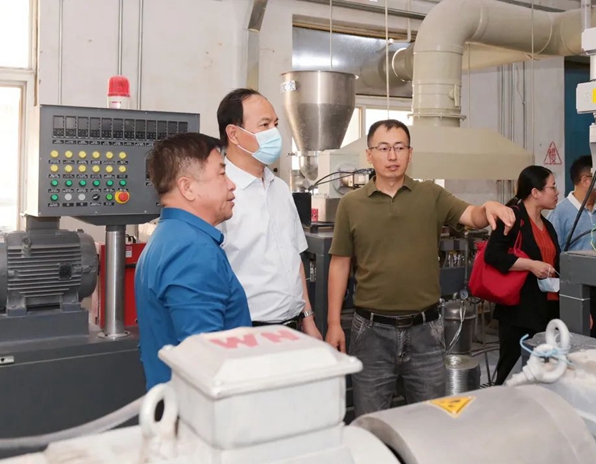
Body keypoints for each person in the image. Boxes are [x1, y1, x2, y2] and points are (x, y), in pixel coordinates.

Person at [325, 119, 516, 417]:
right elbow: (339, 264)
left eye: (399, 147)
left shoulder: (431, 195)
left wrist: (488, 207)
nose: (392, 156)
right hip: (371, 333)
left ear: (410, 153)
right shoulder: (351, 204)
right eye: (383, 148)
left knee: (431, 422)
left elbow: (471, 215)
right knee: (371, 422)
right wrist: (334, 323)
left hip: (425, 332)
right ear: (369, 155)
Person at [135, 132, 251, 389]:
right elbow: (206, 364)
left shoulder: (169, 237)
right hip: (200, 408)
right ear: (187, 188)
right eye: (222, 173)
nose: (231, 184)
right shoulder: (193, 251)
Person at [215, 88, 322, 339]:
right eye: (264, 125)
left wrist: (307, 318)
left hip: (292, 328)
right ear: (234, 134)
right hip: (244, 331)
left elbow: (294, 258)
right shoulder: (218, 192)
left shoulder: (280, 188)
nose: (274, 132)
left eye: (275, 124)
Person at [484, 165, 561, 385]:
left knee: (543, 373)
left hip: (547, 311)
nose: (557, 192)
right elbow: (493, 254)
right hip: (518, 311)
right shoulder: (512, 218)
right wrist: (530, 265)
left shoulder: (548, 226)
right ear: (535, 192)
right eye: (552, 187)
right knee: (511, 372)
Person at [548, 155, 596, 343]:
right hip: (578, 291)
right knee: (582, 347)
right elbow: (554, 258)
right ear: (586, 180)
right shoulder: (560, 213)